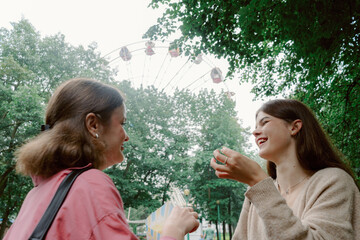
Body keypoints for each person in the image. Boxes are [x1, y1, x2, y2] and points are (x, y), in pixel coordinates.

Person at [4, 78, 199, 240]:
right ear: (93, 125)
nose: (126, 135)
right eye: (122, 123)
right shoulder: (90, 184)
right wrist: (174, 230)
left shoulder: (34, 196)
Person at [210, 99, 360, 240]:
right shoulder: (254, 196)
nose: (255, 132)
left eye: (264, 122)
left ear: (294, 127)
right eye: (256, 127)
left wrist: (258, 182)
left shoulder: (334, 181)